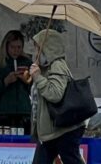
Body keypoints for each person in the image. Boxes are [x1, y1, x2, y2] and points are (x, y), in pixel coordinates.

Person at [29, 29, 84, 164]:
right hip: (52, 131)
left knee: (71, 160)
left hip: (63, 130)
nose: (35, 52)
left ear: (48, 49)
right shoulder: (45, 68)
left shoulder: (57, 65)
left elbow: (55, 94)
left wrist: (38, 77)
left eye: (38, 48)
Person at [0, 30, 32, 132]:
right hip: (4, 114)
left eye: (19, 47)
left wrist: (27, 81)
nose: (16, 50)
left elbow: (35, 91)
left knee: (25, 141)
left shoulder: (28, 63)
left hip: (24, 113)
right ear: (6, 46)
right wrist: (5, 81)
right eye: (12, 47)